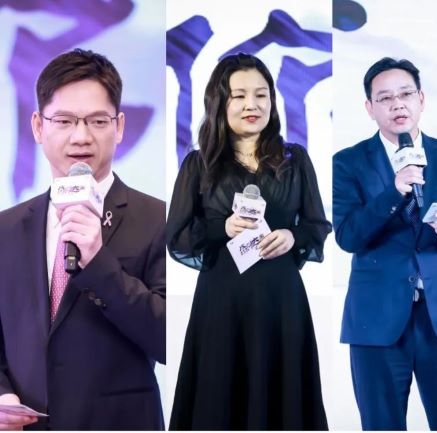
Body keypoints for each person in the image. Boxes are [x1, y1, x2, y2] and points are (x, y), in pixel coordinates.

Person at [0, 49, 166, 430]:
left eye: (97, 121)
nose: (81, 136)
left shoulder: (158, 219)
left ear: (119, 127)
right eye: (64, 121)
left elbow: (169, 340)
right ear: (38, 126)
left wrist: (100, 264)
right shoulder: (6, 229)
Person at [166, 53, 331, 430]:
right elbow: (178, 236)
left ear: (272, 101)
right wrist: (221, 228)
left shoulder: (295, 160)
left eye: (261, 95)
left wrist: (291, 235)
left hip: (281, 303)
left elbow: (317, 226)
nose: (251, 105)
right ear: (219, 102)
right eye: (239, 96)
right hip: (222, 305)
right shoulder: (199, 165)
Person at [332, 57, 437, 430]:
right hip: (376, 320)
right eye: (384, 98)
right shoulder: (348, 162)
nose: (397, 104)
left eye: (405, 94)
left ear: (421, 99)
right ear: (369, 108)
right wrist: (394, 191)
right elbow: (348, 235)